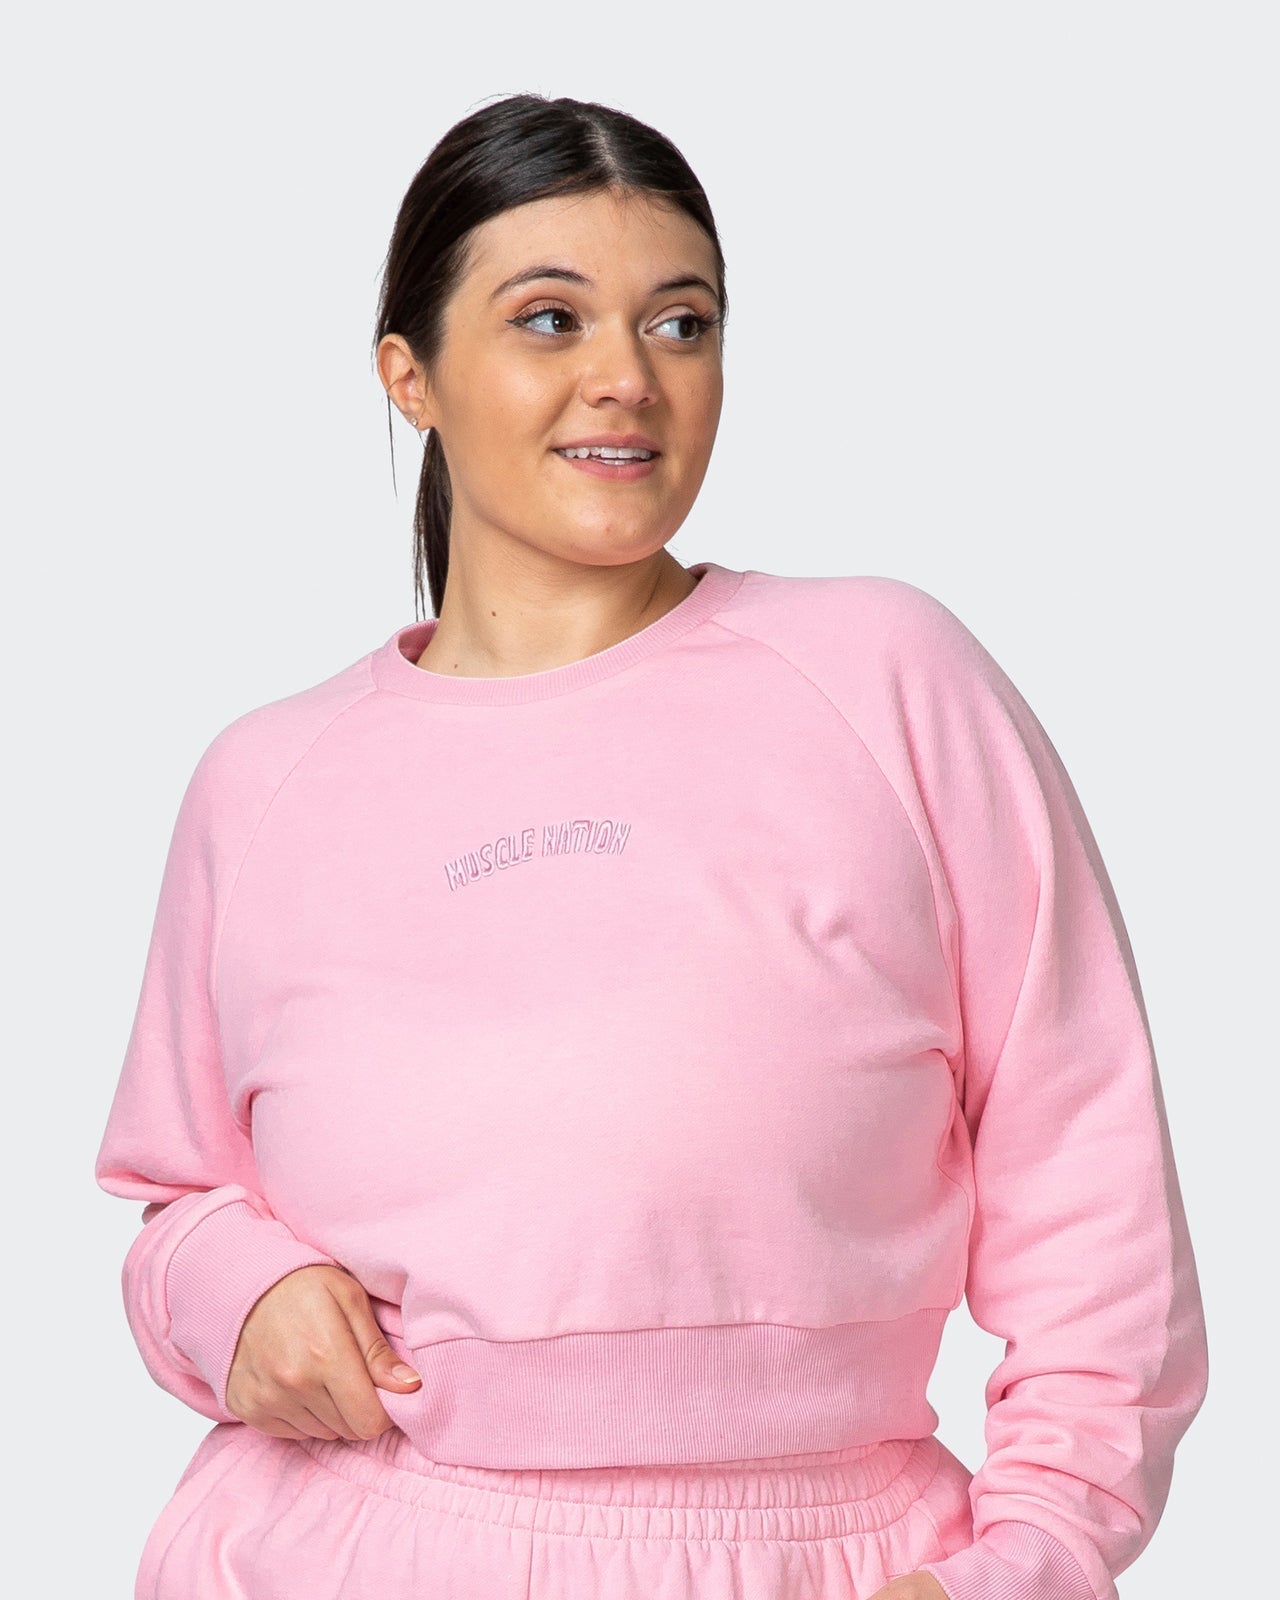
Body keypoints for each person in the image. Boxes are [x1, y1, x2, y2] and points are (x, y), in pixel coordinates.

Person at [94, 93, 1209, 1600]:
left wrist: (1031, 1557)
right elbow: (178, 1201)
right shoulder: (264, 780)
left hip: (822, 1555)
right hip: (343, 1547)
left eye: (682, 325)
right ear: (409, 375)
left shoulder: (889, 679)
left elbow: (1087, 1167)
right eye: (550, 320)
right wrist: (236, 1295)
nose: (628, 377)